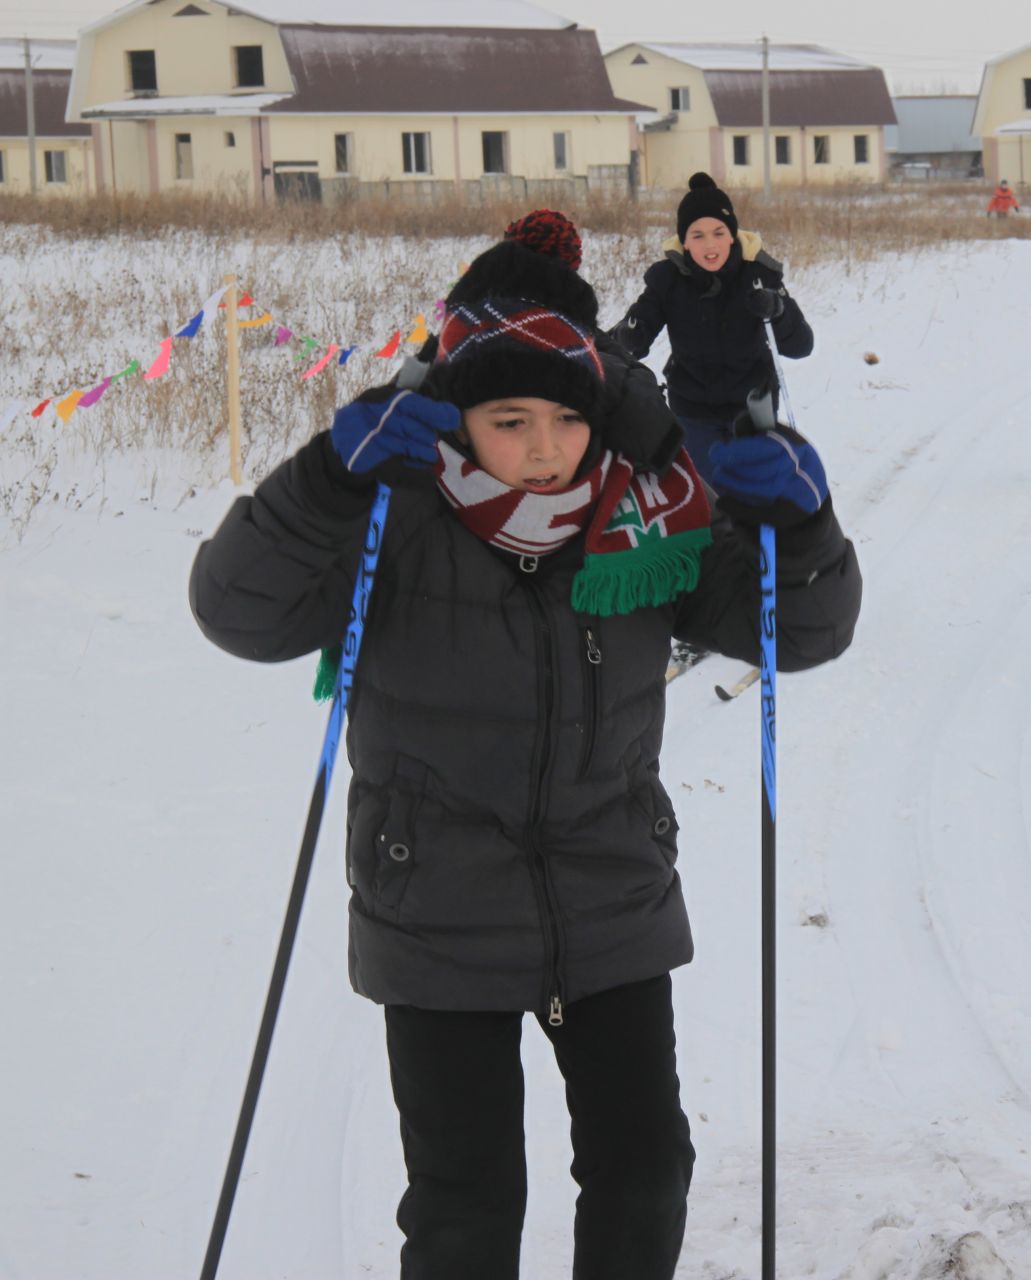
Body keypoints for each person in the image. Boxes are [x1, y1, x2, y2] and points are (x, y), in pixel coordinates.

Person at [188, 212, 862, 1279]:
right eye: (510, 419)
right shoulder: (391, 516)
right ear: (460, 418)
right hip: (438, 905)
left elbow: (804, 630)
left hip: (611, 896)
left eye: (564, 418)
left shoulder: (648, 515)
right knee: (466, 1204)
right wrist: (320, 484)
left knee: (646, 1169)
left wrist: (810, 534)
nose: (545, 448)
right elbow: (236, 611)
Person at [615, 173, 814, 472]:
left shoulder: (758, 275)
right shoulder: (667, 279)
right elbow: (634, 333)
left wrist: (778, 310)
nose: (710, 245)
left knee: (752, 497)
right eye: (698, 235)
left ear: (732, 235)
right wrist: (630, 335)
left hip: (753, 408)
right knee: (708, 500)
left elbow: (801, 345)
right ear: (684, 241)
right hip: (693, 410)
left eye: (718, 233)